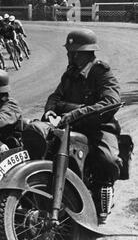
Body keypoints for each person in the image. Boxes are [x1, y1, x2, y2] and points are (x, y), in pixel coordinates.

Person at [43, 29, 122, 223]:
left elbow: (111, 102)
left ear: (80, 53)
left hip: (98, 126)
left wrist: (76, 112)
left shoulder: (101, 72)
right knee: (44, 146)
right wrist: (50, 110)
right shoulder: (70, 73)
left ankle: (104, 193)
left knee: (107, 160)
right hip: (70, 125)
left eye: (71, 51)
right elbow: (56, 96)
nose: (69, 55)